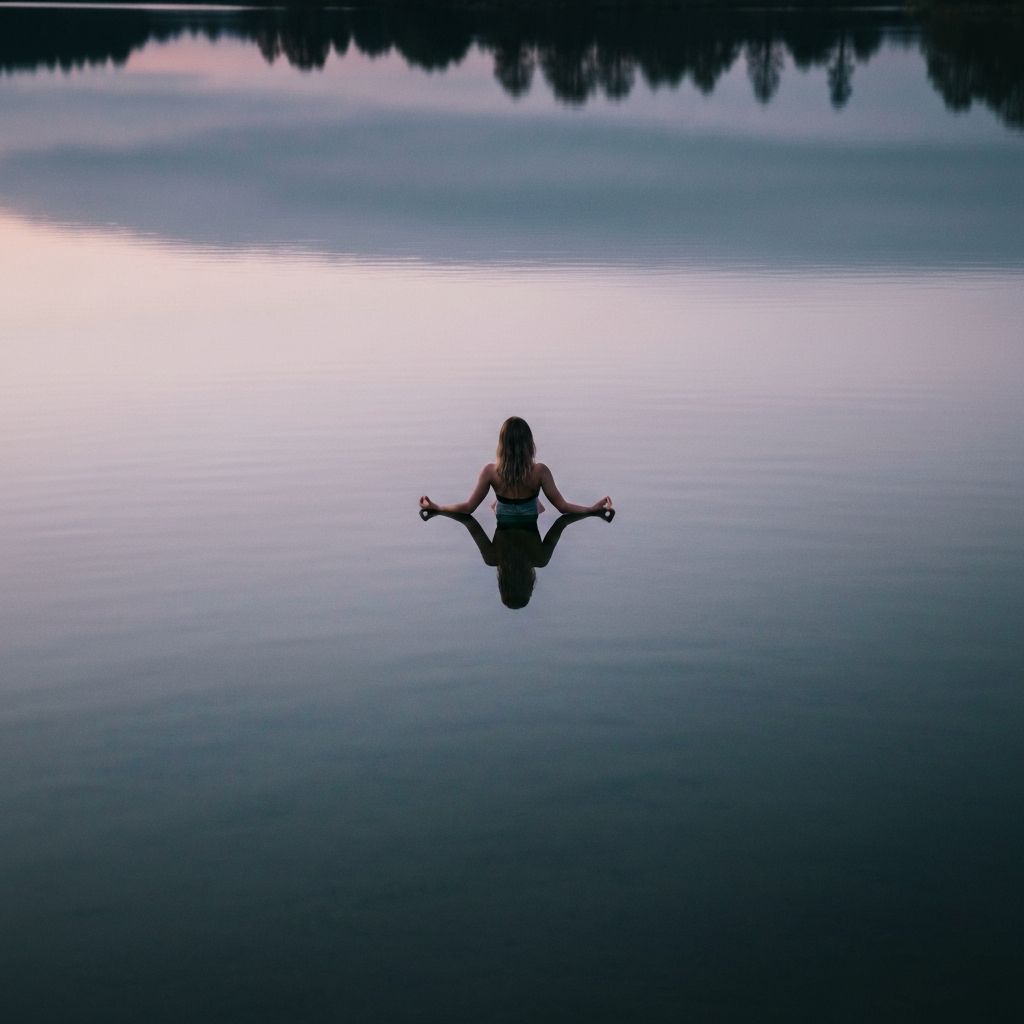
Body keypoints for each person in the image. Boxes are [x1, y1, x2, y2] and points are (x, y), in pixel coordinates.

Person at [418, 417, 612, 520]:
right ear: (529, 443)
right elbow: (562, 507)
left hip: (504, 517)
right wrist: (592, 509)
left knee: (496, 503)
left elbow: (468, 508)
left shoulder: (489, 472)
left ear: (502, 444)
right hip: (530, 516)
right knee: (537, 504)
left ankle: (504, 505)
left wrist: (438, 507)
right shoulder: (540, 472)